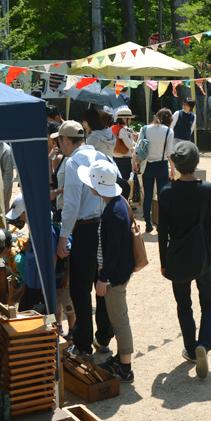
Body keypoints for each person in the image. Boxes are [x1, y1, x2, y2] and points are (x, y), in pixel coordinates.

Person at [158, 141, 211, 378]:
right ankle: (203, 343)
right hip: (205, 256)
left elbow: (163, 232)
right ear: (196, 164)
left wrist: (163, 261)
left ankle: (190, 347)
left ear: (175, 165)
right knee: (209, 305)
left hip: (177, 257)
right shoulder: (208, 190)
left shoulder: (166, 192)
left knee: (184, 305)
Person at [52, 121, 114, 357]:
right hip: (105, 225)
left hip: (86, 229)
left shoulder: (73, 162)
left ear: (66, 140)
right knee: (103, 283)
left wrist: (63, 237)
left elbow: (71, 204)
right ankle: (104, 338)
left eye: (59, 140)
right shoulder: (102, 156)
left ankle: (83, 343)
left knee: (80, 289)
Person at [79, 160, 135, 381]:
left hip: (115, 275)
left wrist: (103, 278)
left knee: (119, 320)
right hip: (120, 271)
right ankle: (121, 359)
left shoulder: (112, 211)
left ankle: (125, 368)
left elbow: (112, 251)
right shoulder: (118, 202)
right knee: (118, 318)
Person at [132, 108, 175, 233]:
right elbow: (169, 153)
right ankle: (161, 223)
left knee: (148, 196)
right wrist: (173, 169)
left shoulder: (145, 129)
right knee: (162, 197)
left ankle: (148, 224)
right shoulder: (169, 131)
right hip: (162, 166)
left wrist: (134, 163)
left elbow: (137, 148)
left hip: (147, 166)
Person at [112, 107, 136, 200]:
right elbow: (130, 145)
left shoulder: (113, 128)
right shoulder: (122, 130)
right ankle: (124, 202)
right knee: (124, 184)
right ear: (124, 119)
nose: (130, 120)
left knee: (117, 183)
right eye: (129, 118)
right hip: (124, 160)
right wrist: (131, 137)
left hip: (115, 159)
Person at [0, 142, 15, 208]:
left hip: (2, 187)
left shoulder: (6, 150)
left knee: (3, 209)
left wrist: (4, 190)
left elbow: (8, 173)